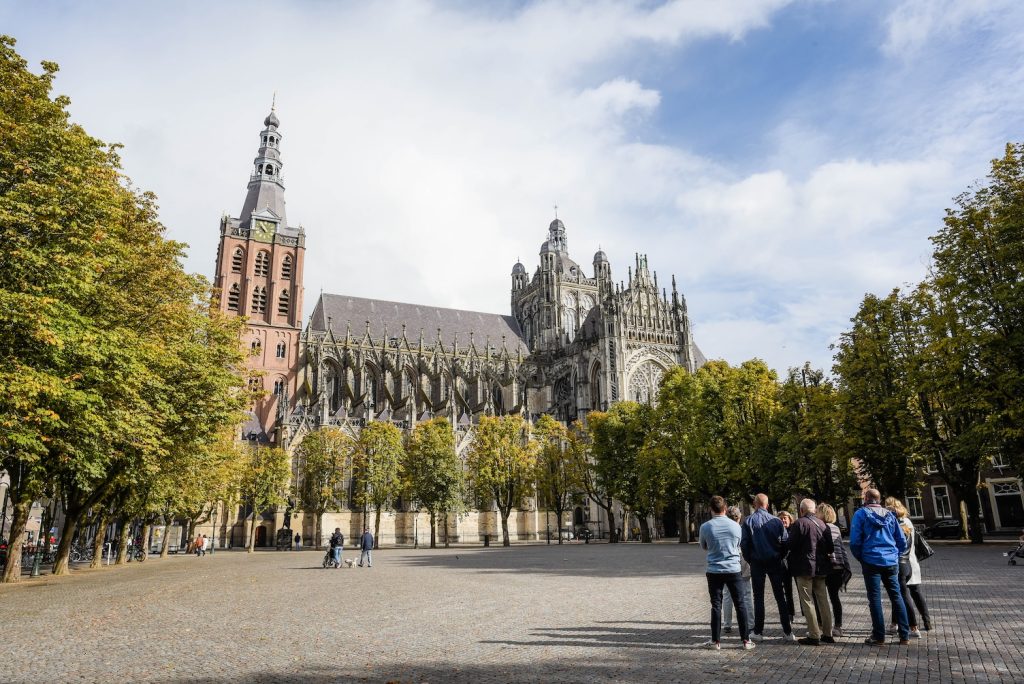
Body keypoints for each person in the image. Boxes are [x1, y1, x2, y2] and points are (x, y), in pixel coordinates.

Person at [849, 488, 910, 645]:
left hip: (871, 560)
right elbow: (901, 540)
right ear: (879, 499)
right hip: (891, 561)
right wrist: (895, 554)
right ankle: (904, 635)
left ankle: (879, 636)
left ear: (866, 498)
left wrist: (861, 558)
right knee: (896, 596)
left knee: (875, 598)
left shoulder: (860, 514)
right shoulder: (890, 515)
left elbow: (855, 541)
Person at [699, 496, 754, 650]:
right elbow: (738, 544)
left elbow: (704, 546)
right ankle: (746, 640)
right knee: (740, 603)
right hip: (733, 568)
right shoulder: (736, 526)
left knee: (716, 605)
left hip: (714, 569)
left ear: (711, 509)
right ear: (725, 508)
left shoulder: (705, 527)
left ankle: (715, 641)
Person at [740, 494, 795, 642]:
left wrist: (750, 559)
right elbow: (785, 542)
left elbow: (744, 544)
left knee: (758, 597)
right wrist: (780, 555)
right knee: (780, 597)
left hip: (757, 562)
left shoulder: (748, 521)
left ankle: (758, 631)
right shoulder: (776, 521)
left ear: (754, 504)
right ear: (767, 505)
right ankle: (787, 631)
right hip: (775, 561)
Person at [786, 499, 835, 645]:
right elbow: (830, 548)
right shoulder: (822, 524)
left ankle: (814, 634)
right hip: (821, 567)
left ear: (801, 510)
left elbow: (790, 544)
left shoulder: (799, 524)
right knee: (823, 600)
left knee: (807, 601)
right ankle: (828, 633)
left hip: (804, 568)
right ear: (813, 510)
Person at [885, 497, 930, 636]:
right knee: (914, 592)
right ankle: (926, 622)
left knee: (900, 595)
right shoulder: (909, 522)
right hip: (911, 561)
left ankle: (912, 626)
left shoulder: (894, 523)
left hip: (900, 562)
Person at [815, 503, 852, 637]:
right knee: (834, 597)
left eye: (817, 512)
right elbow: (841, 548)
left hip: (826, 567)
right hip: (839, 567)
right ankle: (838, 626)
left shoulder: (820, 527)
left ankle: (821, 624)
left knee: (819, 597)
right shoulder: (836, 528)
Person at [722, 507, 754, 637]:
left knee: (727, 594)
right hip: (743, 560)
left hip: (727, 563)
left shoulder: (723, 530)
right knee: (746, 594)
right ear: (739, 517)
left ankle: (727, 623)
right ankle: (751, 623)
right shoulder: (741, 529)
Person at [777, 511, 797, 622]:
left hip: (796, 563)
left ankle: (805, 613)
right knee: (787, 590)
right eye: (781, 518)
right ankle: (790, 613)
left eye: (785, 518)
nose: (783, 520)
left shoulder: (795, 529)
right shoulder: (778, 531)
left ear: (790, 519)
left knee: (801, 589)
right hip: (784, 564)